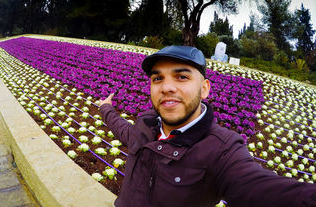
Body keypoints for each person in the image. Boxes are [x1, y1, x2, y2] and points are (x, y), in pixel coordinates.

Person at [99, 45, 316, 207]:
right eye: (157, 79)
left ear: (204, 89)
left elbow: (262, 189)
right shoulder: (146, 122)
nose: (166, 87)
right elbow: (127, 133)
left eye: (181, 77)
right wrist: (106, 109)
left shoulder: (222, 150)